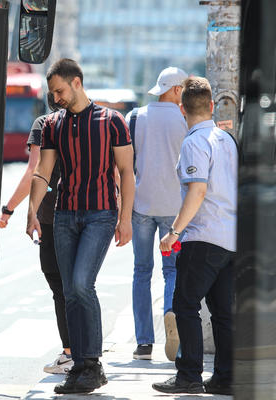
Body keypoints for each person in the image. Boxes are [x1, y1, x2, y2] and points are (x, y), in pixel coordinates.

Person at [26, 58, 134, 394]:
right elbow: (43, 171)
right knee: (70, 291)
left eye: (59, 90)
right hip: (64, 215)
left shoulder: (112, 121)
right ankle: (79, 367)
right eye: (52, 93)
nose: (55, 98)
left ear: (77, 82)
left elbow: (127, 172)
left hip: (100, 214)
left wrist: (126, 217)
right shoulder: (52, 125)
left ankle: (93, 364)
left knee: (83, 284)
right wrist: (31, 209)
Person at [152, 77, 237, 395]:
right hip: (231, 238)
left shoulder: (194, 142)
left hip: (203, 236)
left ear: (181, 109)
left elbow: (197, 190)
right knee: (223, 313)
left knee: (185, 305)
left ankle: (188, 375)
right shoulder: (226, 140)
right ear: (212, 106)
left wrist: (174, 232)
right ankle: (225, 378)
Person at [0, 93, 72, 374]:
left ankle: (71, 352)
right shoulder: (86, 122)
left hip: (51, 216)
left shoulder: (44, 124)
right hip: (83, 214)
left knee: (59, 286)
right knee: (79, 287)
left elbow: (34, 171)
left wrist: (8, 210)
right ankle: (85, 351)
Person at [126, 67, 188, 361]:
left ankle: (143, 343)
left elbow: (124, 165)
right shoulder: (187, 119)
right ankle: (170, 314)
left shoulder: (136, 116)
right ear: (176, 90)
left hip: (141, 207)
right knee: (172, 271)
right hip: (175, 213)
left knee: (141, 271)